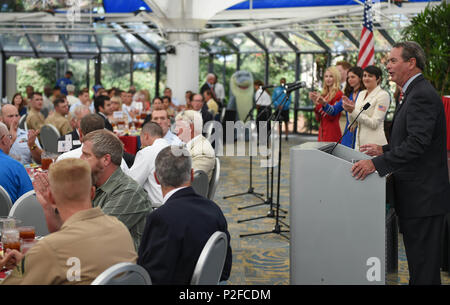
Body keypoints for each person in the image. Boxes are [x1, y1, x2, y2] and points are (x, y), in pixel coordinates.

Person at [351, 41, 450, 285]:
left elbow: (417, 144)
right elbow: (412, 138)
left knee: (424, 268)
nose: (388, 65)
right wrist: (384, 148)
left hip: (423, 197)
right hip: (418, 196)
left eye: (393, 60)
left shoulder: (421, 95)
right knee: (419, 265)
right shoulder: (413, 92)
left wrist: (377, 163)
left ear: (411, 63)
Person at [2, 158, 137, 285]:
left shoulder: (50, 249)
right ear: (92, 193)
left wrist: (26, 265)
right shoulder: (121, 230)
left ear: (52, 198)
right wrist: (30, 264)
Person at [137, 146, 232, 284]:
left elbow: (152, 276)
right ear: (192, 175)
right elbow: (224, 269)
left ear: (157, 178)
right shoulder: (214, 209)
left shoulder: (160, 218)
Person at [80, 129, 152, 250]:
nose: (80, 159)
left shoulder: (129, 192)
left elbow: (92, 236)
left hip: (123, 266)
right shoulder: (93, 185)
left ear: (106, 160)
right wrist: (48, 206)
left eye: (86, 155)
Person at [315, 66, 365, 148]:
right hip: (348, 135)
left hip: (361, 133)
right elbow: (334, 111)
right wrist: (324, 103)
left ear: (360, 78)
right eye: (348, 77)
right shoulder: (348, 95)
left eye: (353, 77)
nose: (350, 80)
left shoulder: (365, 94)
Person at [343, 65, 389, 150]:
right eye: (364, 76)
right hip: (358, 145)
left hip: (374, 146)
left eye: (370, 76)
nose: (366, 78)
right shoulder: (361, 94)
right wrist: (349, 110)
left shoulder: (383, 95)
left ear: (378, 79)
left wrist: (353, 111)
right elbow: (353, 124)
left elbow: (374, 123)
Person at [129, 122, 169, 209]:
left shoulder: (147, 152)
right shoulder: (175, 148)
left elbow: (132, 183)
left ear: (146, 136)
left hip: (158, 208)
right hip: (178, 204)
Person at [174, 110, 215, 181]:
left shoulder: (202, 152)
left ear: (190, 127)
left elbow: (185, 180)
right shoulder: (188, 145)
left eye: (178, 126)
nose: (175, 130)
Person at [0, 122, 33, 203]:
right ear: (4, 140)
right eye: (9, 137)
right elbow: (29, 201)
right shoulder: (15, 167)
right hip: (9, 215)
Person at [309, 67, 343, 142]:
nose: (328, 79)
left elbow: (331, 117)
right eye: (326, 76)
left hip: (332, 132)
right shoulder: (324, 94)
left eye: (331, 76)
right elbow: (318, 119)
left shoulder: (339, 94)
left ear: (336, 78)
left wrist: (320, 103)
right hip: (322, 132)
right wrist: (315, 102)